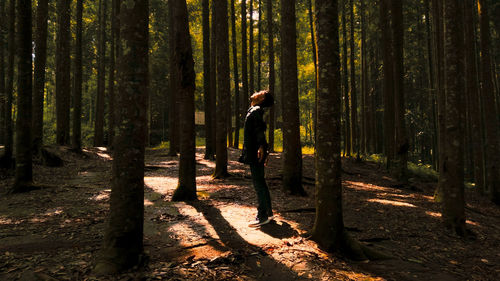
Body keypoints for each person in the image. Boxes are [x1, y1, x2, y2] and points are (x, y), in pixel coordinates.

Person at [239, 90, 274, 227]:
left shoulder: (256, 110)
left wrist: (262, 148)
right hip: (255, 151)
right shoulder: (254, 110)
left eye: (260, 92)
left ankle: (262, 216)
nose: (255, 92)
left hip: (256, 153)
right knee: (261, 183)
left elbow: (260, 130)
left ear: (262, 98)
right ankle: (268, 213)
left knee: (259, 184)